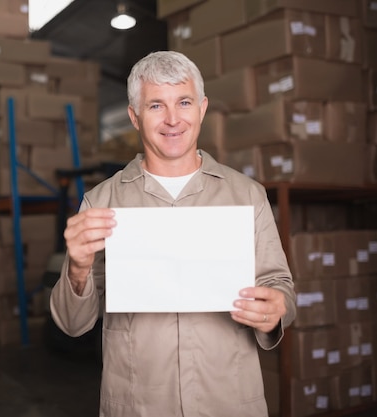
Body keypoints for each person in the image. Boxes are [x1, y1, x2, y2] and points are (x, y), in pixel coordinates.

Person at [49, 50, 296, 417]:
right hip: (138, 406)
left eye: (183, 102)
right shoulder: (102, 201)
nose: (172, 119)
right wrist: (78, 268)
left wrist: (277, 307)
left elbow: (280, 286)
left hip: (227, 401)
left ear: (202, 107)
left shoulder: (247, 195)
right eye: (155, 106)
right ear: (134, 116)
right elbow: (71, 325)